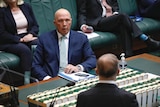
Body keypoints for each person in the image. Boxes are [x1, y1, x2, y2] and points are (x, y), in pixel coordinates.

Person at [76, 0, 160, 57]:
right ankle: (145, 39)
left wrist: (114, 14)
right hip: (97, 22)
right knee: (122, 17)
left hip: (111, 19)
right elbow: (81, 12)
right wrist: (83, 26)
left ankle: (128, 56)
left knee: (123, 25)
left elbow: (115, 6)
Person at [32, 8, 96, 81]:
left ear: (71, 21)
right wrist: (47, 79)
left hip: (73, 78)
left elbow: (92, 59)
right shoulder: (44, 39)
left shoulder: (81, 38)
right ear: (55, 23)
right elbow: (35, 65)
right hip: (52, 79)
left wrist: (78, 68)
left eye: (67, 20)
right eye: (60, 21)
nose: (64, 24)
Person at [0, 0, 39, 77]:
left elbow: (35, 26)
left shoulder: (26, 7)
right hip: (8, 41)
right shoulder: (1, 11)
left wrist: (30, 34)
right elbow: (2, 33)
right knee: (24, 50)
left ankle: (44, 74)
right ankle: (27, 79)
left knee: (41, 44)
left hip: (27, 37)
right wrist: (20, 40)